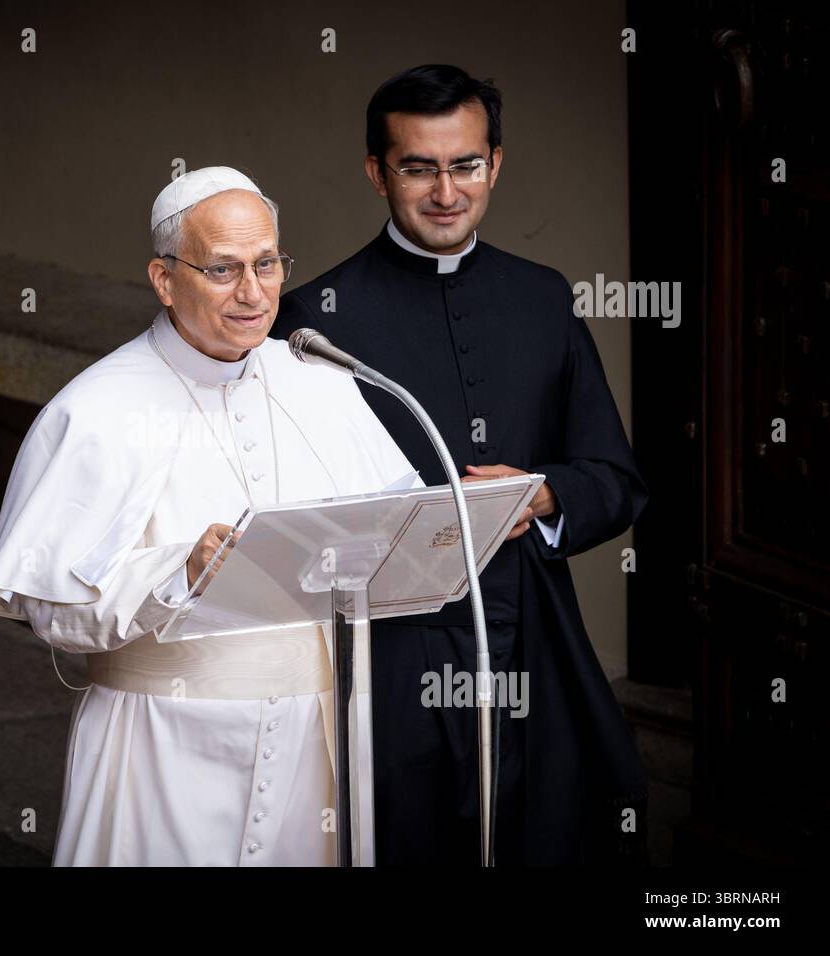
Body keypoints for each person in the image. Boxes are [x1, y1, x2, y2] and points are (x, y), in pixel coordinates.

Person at [0, 167, 420, 865]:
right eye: (223, 269)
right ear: (164, 279)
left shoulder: (321, 380)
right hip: (161, 749)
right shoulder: (96, 409)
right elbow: (53, 615)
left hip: (314, 747)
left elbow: (398, 532)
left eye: (267, 264)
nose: (253, 292)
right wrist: (176, 569)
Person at [274, 65, 649, 865]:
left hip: (534, 635)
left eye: (465, 165)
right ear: (378, 172)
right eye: (418, 167)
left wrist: (545, 495)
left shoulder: (543, 297)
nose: (446, 191)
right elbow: (294, 511)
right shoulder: (315, 319)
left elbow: (615, 479)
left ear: (495, 164)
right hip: (393, 657)